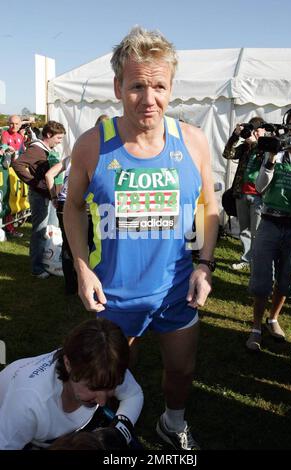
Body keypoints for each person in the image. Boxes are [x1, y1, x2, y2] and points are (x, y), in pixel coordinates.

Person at [64, 26, 219, 450]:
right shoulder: (93, 145)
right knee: (106, 380)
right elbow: (73, 206)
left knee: (182, 372)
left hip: (176, 291)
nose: (148, 99)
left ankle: (172, 423)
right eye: (136, 86)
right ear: (118, 87)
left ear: (171, 86)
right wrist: (82, 269)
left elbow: (209, 205)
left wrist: (205, 265)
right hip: (114, 296)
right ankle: (108, 435)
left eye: (158, 86)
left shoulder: (193, 141)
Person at [0, 318, 143, 450]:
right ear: (68, 364)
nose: (102, 401)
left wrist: (119, 432)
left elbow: (133, 394)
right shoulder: (27, 405)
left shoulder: (104, 366)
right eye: (93, 387)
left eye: (111, 387)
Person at [246, 107, 291, 351]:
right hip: (269, 221)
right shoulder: (276, 153)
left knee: (287, 280)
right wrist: (270, 158)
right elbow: (259, 188)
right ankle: (256, 326)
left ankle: (273, 318)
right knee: (261, 279)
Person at [45, 115, 109, 294]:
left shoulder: (76, 154)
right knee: (91, 246)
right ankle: (90, 284)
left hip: (65, 202)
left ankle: (71, 286)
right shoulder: (99, 155)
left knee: (70, 245)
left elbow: (49, 175)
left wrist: (54, 196)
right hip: (84, 205)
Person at [12, 121, 66, 279]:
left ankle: (48, 261)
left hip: (48, 195)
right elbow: (18, 164)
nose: (60, 141)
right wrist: (35, 182)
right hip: (39, 196)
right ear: (48, 135)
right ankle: (36, 267)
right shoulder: (36, 149)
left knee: (50, 230)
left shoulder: (47, 149)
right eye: (58, 138)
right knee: (40, 231)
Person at [223, 117, 266, 270]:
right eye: (251, 129)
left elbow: (265, 159)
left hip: (259, 196)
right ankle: (246, 259)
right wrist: (235, 135)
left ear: (264, 130)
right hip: (241, 192)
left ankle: (259, 262)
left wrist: (253, 142)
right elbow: (227, 153)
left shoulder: (268, 147)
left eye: (257, 130)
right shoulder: (245, 148)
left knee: (258, 232)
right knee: (244, 230)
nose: (253, 133)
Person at [1, 114, 26, 238]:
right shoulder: (5, 134)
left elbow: (22, 152)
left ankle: (12, 224)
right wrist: (6, 148)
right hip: (7, 171)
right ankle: (9, 228)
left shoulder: (21, 136)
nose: (14, 126)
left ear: (20, 124)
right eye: (11, 123)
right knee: (7, 198)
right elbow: (3, 146)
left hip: (17, 171)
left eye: (16, 124)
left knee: (17, 197)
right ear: (8, 123)